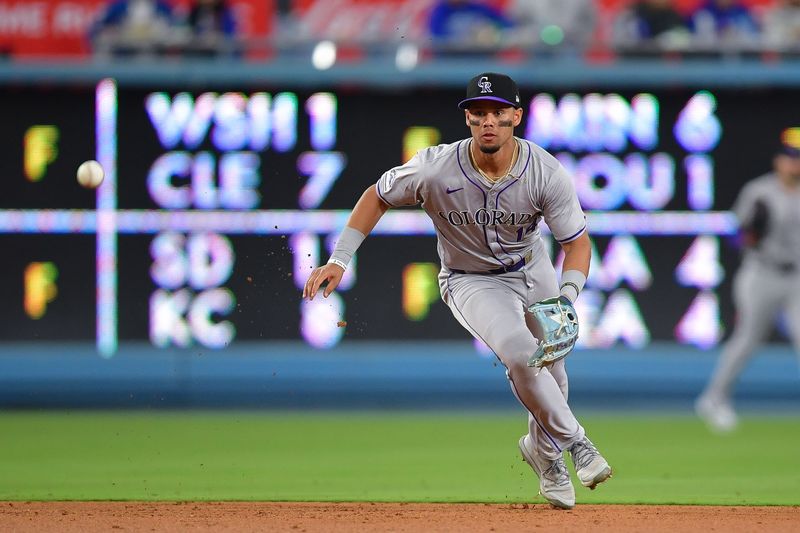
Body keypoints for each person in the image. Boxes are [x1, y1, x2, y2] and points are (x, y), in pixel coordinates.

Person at [303, 72, 612, 509]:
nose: (489, 121)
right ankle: (578, 445)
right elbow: (378, 196)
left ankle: (543, 456)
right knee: (522, 355)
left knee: (555, 374)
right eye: (479, 112)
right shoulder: (434, 167)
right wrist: (339, 259)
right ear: (467, 119)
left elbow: (576, 243)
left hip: (533, 268)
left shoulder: (544, 171)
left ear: (516, 117)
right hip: (471, 279)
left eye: (498, 113)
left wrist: (567, 295)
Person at [696, 129, 800, 433]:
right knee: (747, 339)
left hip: (796, 276)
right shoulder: (759, 191)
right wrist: (751, 232)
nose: (794, 164)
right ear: (778, 161)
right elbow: (737, 236)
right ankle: (714, 398)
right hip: (761, 273)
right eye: (790, 157)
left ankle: (714, 398)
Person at [89, 0, 178, 57]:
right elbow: (96, 29)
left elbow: (178, 30)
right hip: (122, 58)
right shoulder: (118, 6)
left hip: (155, 57)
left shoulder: (163, 7)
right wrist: (111, 31)